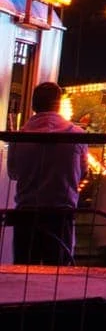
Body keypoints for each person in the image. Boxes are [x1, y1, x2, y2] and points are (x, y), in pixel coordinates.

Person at [6, 82, 90, 265]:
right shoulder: (77, 135)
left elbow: (13, 172)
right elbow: (84, 173)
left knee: (25, 271)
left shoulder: (19, 137)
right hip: (60, 214)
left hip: (26, 214)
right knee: (59, 273)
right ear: (58, 104)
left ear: (34, 105)